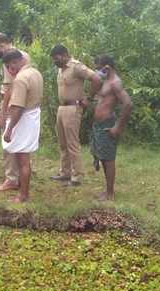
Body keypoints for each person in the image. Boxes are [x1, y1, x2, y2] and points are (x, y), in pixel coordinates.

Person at [50, 45, 101, 186]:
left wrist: (88, 98)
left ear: (65, 54)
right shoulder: (61, 69)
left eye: (57, 58)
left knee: (72, 143)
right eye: (53, 59)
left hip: (73, 108)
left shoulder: (76, 66)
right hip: (62, 108)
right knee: (62, 143)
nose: (55, 61)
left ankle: (77, 176)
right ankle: (65, 172)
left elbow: (96, 79)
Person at [0, 32, 31, 192]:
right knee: (22, 142)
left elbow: (10, 88)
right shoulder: (23, 56)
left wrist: (3, 111)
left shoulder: (9, 59)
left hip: (14, 103)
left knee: (8, 141)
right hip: (24, 104)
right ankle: (22, 176)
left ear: (1, 44)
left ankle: (11, 179)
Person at [1, 49, 43, 203]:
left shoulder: (21, 78)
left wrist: (9, 129)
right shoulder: (35, 72)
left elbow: (18, 108)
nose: (10, 70)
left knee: (22, 159)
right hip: (32, 115)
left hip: (23, 119)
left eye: (10, 66)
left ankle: (23, 195)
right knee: (24, 158)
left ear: (16, 62)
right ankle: (23, 192)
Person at [91, 55, 131, 201]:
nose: (98, 71)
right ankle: (107, 190)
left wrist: (118, 127)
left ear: (107, 67)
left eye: (99, 68)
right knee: (103, 157)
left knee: (108, 159)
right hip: (99, 124)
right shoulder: (106, 81)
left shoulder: (115, 83)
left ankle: (110, 193)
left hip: (108, 124)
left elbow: (127, 104)